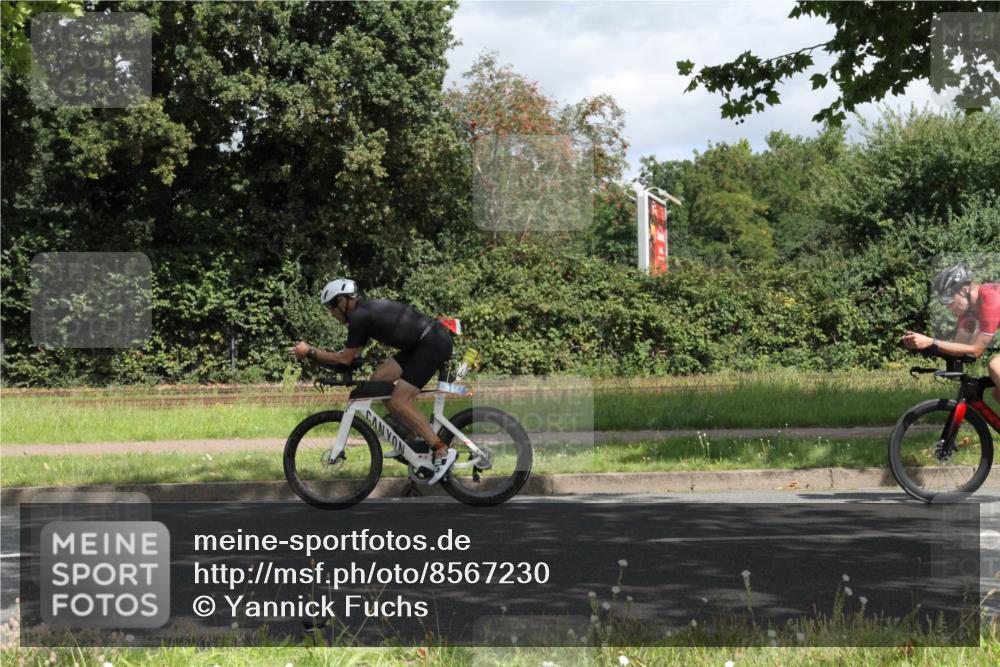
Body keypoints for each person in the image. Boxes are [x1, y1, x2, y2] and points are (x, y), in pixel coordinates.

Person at [290, 278, 457, 482]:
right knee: (379, 380)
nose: (331, 314)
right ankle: (415, 439)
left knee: (399, 401)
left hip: (431, 342)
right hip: (422, 342)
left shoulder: (360, 316)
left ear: (342, 302)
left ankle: (441, 450)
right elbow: (349, 360)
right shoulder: (362, 316)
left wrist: (310, 352)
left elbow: (344, 358)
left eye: (330, 308)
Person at [902, 263, 1000, 405]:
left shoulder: (991, 298)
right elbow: (959, 348)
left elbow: (976, 350)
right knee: (997, 393)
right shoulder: (968, 312)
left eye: (948, 299)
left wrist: (931, 341)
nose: (947, 306)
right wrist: (923, 346)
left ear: (964, 290)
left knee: (996, 365)